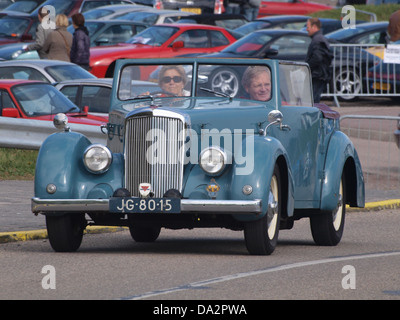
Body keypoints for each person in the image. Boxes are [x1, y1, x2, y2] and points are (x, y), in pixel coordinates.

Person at [305, 17, 333, 103]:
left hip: (317, 75)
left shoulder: (318, 40)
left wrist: (307, 67)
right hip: (318, 74)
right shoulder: (318, 39)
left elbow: (317, 58)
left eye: (308, 26)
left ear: (314, 27)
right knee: (313, 100)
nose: (306, 29)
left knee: (313, 101)